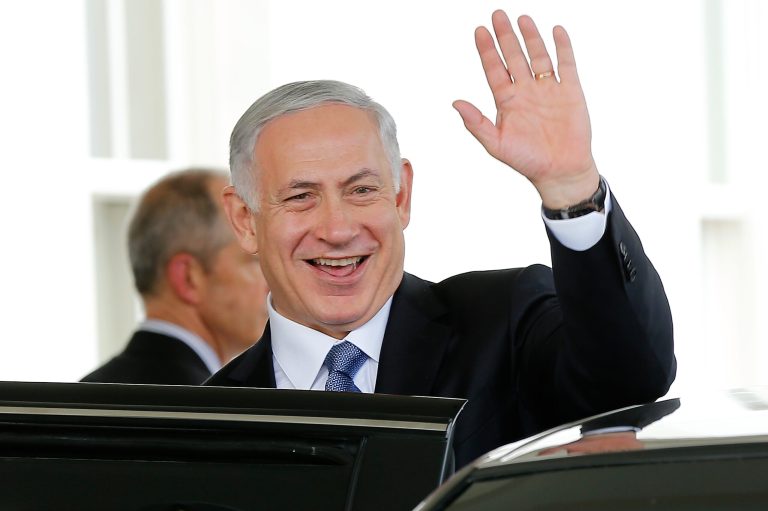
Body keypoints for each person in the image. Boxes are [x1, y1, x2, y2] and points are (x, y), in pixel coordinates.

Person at [205, 11, 676, 468]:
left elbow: (628, 382)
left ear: (402, 196)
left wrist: (573, 189)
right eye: (302, 197)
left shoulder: (504, 325)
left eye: (362, 190)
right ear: (245, 220)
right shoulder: (205, 421)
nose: (338, 229)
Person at [82, 169, 269, 385]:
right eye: (255, 262)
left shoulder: (81, 395)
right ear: (189, 277)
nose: (273, 284)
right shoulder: (207, 407)